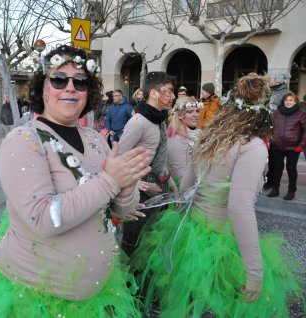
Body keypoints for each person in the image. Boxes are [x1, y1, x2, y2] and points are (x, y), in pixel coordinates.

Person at [0, 45, 153, 317]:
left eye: (80, 81)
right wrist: (111, 180)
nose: (70, 88)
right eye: (58, 79)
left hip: (97, 297)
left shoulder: (95, 140)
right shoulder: (23, 141)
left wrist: (126, 186)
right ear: (43, 89)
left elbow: (117, 211)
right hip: (37, 300)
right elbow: (42, 218)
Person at [129, 73, 304, 317]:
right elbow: (239, 207)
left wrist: (177, 225)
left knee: (187, 302)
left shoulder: (210, 137)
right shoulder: (251, 145)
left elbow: (187, 185)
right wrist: (254, 272)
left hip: (190, 233)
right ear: (265, 111)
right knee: (219, 305)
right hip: (219, 242)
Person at [118, 71, 177, 256]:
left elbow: (159, 157)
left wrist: (172, 185)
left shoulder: (158, 118)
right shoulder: (138, 122)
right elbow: (119, 159)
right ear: (154, 93)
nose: (173, 96)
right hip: (140, 192)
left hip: (159, 186)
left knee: (152, 242)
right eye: (169, 91)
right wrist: (139, 185)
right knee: (135, 243)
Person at [266, 92, 306, 200]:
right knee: (277, 168)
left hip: (293, 148)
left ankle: (291, 190)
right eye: (286, 100)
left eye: (290, 100)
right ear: (283, 101)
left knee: (291, 168)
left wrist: (301, 145)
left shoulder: (301, 114)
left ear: (295, 101)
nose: (288, 102)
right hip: (277, 147)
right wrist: (271, 140)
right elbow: (271, 128)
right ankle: (275, 189)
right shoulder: (277, 113)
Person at [264, 71, 292, 190]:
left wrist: (271, 108)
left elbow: (289, 112)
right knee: (269, 159)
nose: (269, 80)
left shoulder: (287, 94)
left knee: (277, 161)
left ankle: (274, 183)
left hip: (279, 132)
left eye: (271, 79)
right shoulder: (269, 91)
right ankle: (269, 180)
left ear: (277, 81)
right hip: (267, 130)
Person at [167, 96, 203, 186]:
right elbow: (182, 180)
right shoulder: (177, 141)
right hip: (186, 194)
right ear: (179, 115)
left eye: (197, 111)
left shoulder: (198, 134)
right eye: (190, 112)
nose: (196, 115)